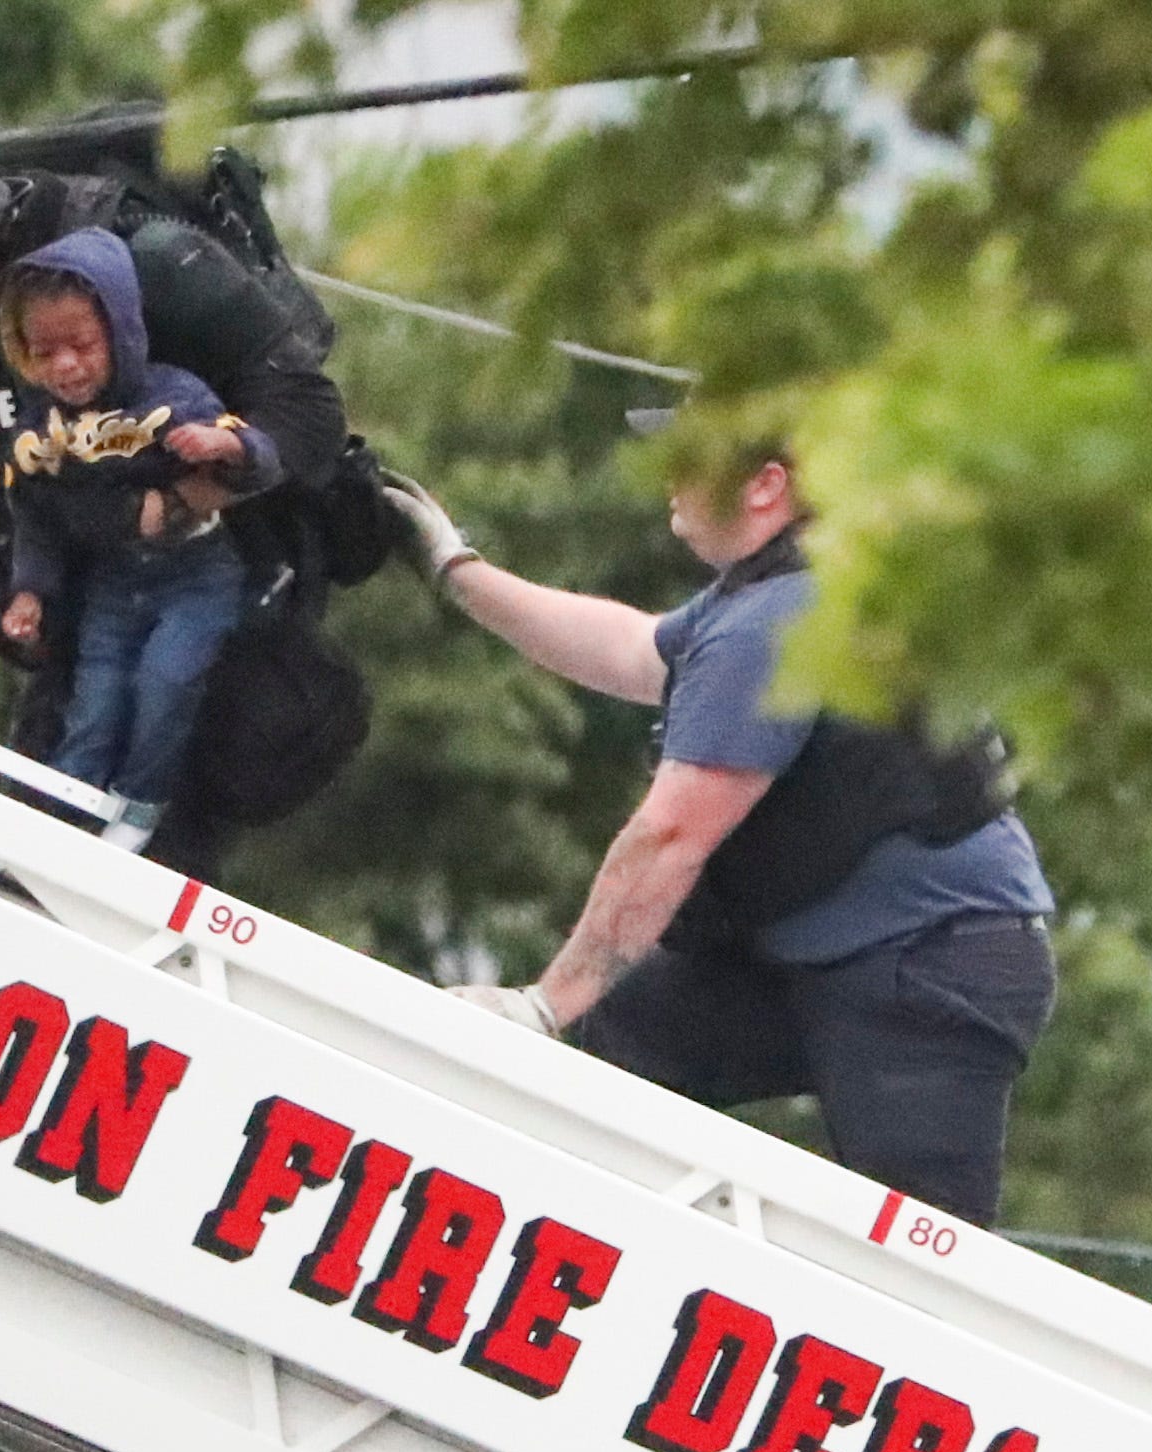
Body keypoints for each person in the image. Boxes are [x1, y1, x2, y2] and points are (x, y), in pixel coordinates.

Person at [382, 452, 1057, 1228]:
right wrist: (456, 568)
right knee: (614, 1049)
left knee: (918, 1265)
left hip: (930, 970)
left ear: (768, 485)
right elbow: (634, 651)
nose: (670, 469)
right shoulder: (771, 592)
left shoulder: (772, 621)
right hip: (809, 956)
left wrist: (542, 1004)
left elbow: (668, 838)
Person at [0, 101, 350, 876]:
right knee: (25, 850)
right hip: (79, 623)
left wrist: (185, 500)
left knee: (141, 853)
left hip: (216, 600)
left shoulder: (141, 262)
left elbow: (308, 409)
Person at [0, 231, 283, 850]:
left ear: (119, 333)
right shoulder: (38, 426)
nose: (66, 366)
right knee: (95, 703)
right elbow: (35, 513)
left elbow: (259, 459)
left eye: (82, 346)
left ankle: (139, 808)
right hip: (113, 584)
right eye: (46, 353)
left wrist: (220, 446)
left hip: (196, 576)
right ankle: (64, 818)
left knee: (165, 685)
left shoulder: (171, 395)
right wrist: (30, 592)